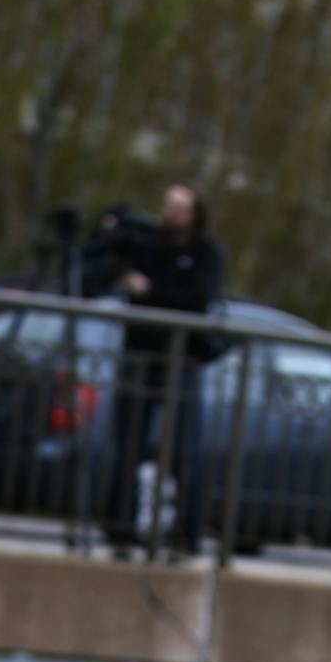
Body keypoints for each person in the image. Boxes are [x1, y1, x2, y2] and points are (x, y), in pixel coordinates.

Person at [99, 184, 225, 559]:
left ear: (195, 215)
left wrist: (149, 290)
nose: (171, 215)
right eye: (168, 206)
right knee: (127, 446)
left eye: (180, 209)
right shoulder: (147, 244)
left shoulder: (206, 253)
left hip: (180, 361)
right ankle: (119, 528)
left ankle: (185, 535)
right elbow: (104, 264)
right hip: (139, 357)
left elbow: (197, 301)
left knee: (186, 450)